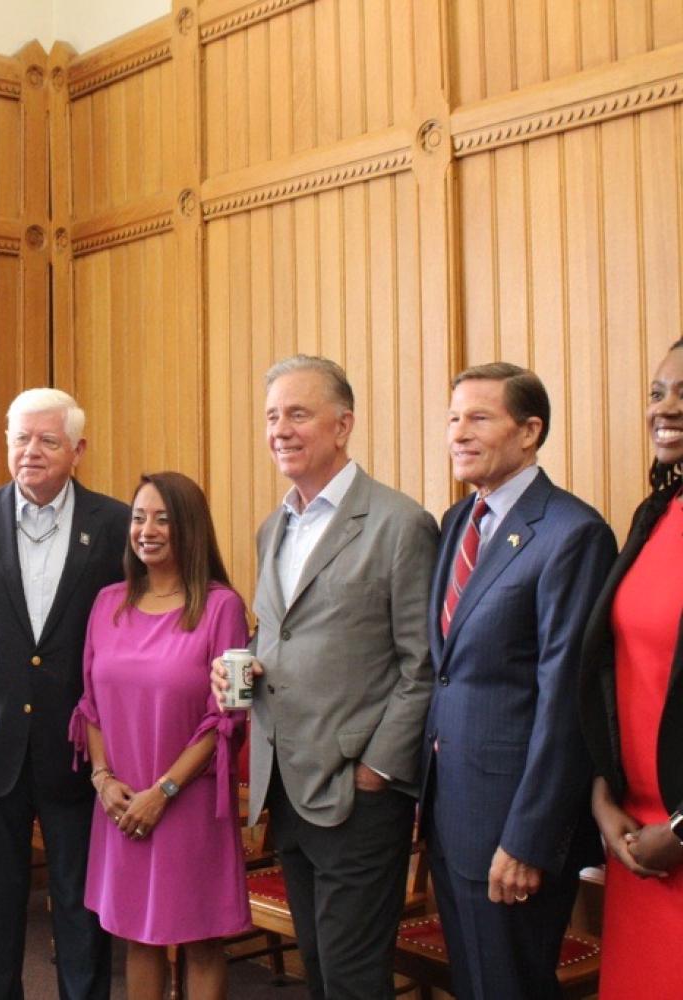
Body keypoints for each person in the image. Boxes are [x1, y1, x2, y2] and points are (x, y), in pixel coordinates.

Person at [211, 355, 438, 1000]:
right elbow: (280, 633)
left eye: (298, 414)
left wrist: (378, 772)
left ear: (344, 426)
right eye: (271, 416)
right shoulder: (272, 526)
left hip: (358, 795)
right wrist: (247, 665)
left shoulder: (398, 524)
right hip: (286, 789)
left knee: (354, 979)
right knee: (320, 970)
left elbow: (421, 666)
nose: (280, 429)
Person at [421, 363, 615, 1000]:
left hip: (513, 829)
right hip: (452, 815)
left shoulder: (571, 533)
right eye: (453, 418)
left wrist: (529, 838)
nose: (458, 432)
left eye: (478, 417)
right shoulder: (457, 521)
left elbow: (567, 703)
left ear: (530, 431)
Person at [0, 388, 127, 1000]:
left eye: (48, 440)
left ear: (78, 449)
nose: (31, 452)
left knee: (79, 904)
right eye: (21, 438)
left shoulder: (117, 523)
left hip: (77, 749)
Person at [70, 471, 250, 1000]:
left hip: (187, 802)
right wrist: (104, 781)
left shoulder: (221, 606)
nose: (146, 529)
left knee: (201, 941)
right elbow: (91, 705)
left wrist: (163, 792)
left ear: (189, 528)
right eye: (139, 517)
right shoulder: (108, 603)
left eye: (163, 519)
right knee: (136, 938)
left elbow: (225, 720)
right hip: (121, 802)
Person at [581, 340, 683, 998]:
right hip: (634, 844)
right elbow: (613, 680)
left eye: (682, 394)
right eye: (657, 392)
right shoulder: (653, 516)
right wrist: (600, 793)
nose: (665, 408)